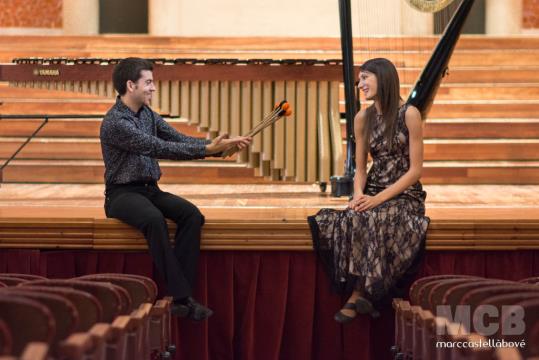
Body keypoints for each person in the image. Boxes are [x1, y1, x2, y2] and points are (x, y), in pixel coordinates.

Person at [100, 57, 251, 321]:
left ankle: (179, 296)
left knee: (191, 215)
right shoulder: (116, 123)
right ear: (130, 85)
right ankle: (182, 297)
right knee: (153, 220)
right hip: (121, 194)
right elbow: (160, 148)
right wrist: (207, 151)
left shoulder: (147, 114)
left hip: (150, 190)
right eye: (148, 82)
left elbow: (178, 139)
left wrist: (217, 148)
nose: (153, 88)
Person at [308, 58, 430, 323]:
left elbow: (415, 171)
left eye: (365, 78)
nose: (360, 84)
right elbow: (361, 169)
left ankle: (359, 294)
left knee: (376, 215)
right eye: (360, 79)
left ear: (382, 77)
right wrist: (359, 195)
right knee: (352, 217)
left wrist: (377, 200)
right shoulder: (363, 118)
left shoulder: (409, 114)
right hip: (373, 188)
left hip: (404, 194)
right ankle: (366, 296)